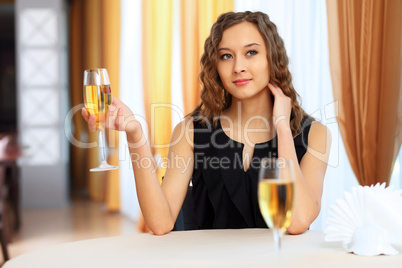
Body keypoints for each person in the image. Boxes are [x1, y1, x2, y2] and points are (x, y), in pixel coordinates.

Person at [82, 11, 331, 235]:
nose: (238, 67)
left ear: (272, 59)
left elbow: (297, 222)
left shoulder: (315, 134)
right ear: (216, 66)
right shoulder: (192, 131)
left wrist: (282, 130)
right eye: (226, 56)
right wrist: (136, 136)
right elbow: (161, 223)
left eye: (251, 52)